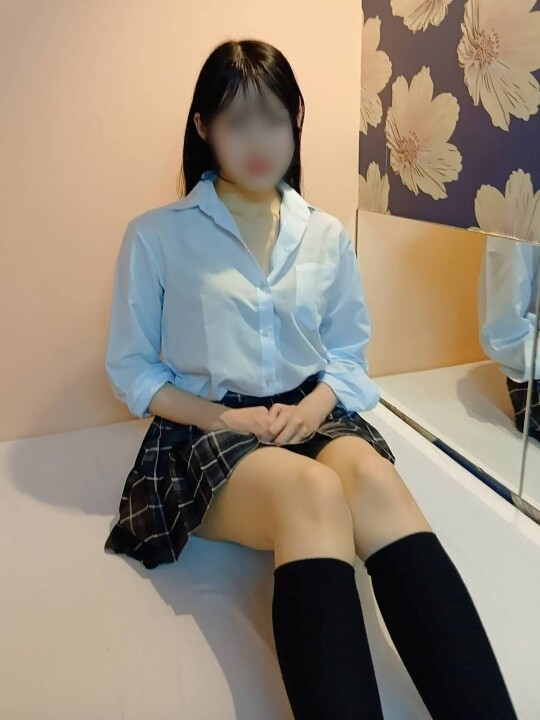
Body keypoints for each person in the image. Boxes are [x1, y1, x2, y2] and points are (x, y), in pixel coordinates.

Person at [103, 39, 518, 720]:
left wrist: (319, 402)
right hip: (205, 429)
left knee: (377, 480)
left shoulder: (323, 234)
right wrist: (224, 417)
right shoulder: (157, 236)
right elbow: (131, 369)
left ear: (295, 122)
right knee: (312, 492)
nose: (259, 140)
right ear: (203, 127)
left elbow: (349, 355)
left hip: (309, 412)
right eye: (237, 120)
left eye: (274, 118)